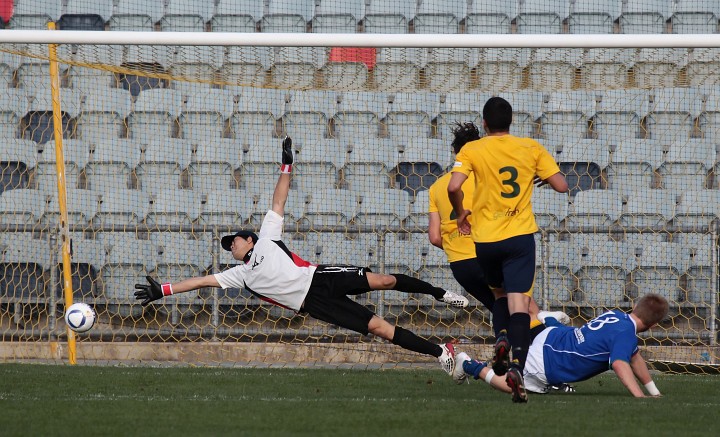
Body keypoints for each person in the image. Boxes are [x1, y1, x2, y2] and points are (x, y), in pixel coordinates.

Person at [135, 136, 470, 375]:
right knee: (380, 328)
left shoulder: (267, 237)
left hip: (321, 276)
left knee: (384, 279)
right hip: (314, 304)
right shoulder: (239, 275)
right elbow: (201, 281)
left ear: (248, 239)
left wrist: (286, 166)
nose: (231, 247)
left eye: (233, 241)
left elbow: (278, 201)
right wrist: (162, 290)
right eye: (228, 247)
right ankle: (442, 352)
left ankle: (441, 293)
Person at [447, 97, 569, 403]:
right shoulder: (530, 147)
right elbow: (562, 186)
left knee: (499, 296)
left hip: (486, 240)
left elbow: (453, 187)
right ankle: (516, 366)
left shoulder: (472, 149)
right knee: (520, 304)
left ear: (484, 124)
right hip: (520, 238)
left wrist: (461, 212)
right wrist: (540, 174)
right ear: (511, 122)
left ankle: (500, 338)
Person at [428, 122, 569, 338]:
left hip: (460, 265)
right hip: (488, 252)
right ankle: (546, 352)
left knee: (500, 309)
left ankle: (504, 349)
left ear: (456, 152)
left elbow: (435, 237)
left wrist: (457, 243)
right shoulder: (484, 177)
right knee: (525, 308)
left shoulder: (436, 187)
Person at [454, 293, 669, 399]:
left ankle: (542, 316)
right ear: (653, 324)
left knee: (528, 314)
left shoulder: (617, 316)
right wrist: (639, 397)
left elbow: (634, 358)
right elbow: (621, 363)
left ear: (635, 307)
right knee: (515, 386)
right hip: (547, 360)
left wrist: (654, 392)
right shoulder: (626, 335)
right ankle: (468, 364)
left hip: (555, 336)